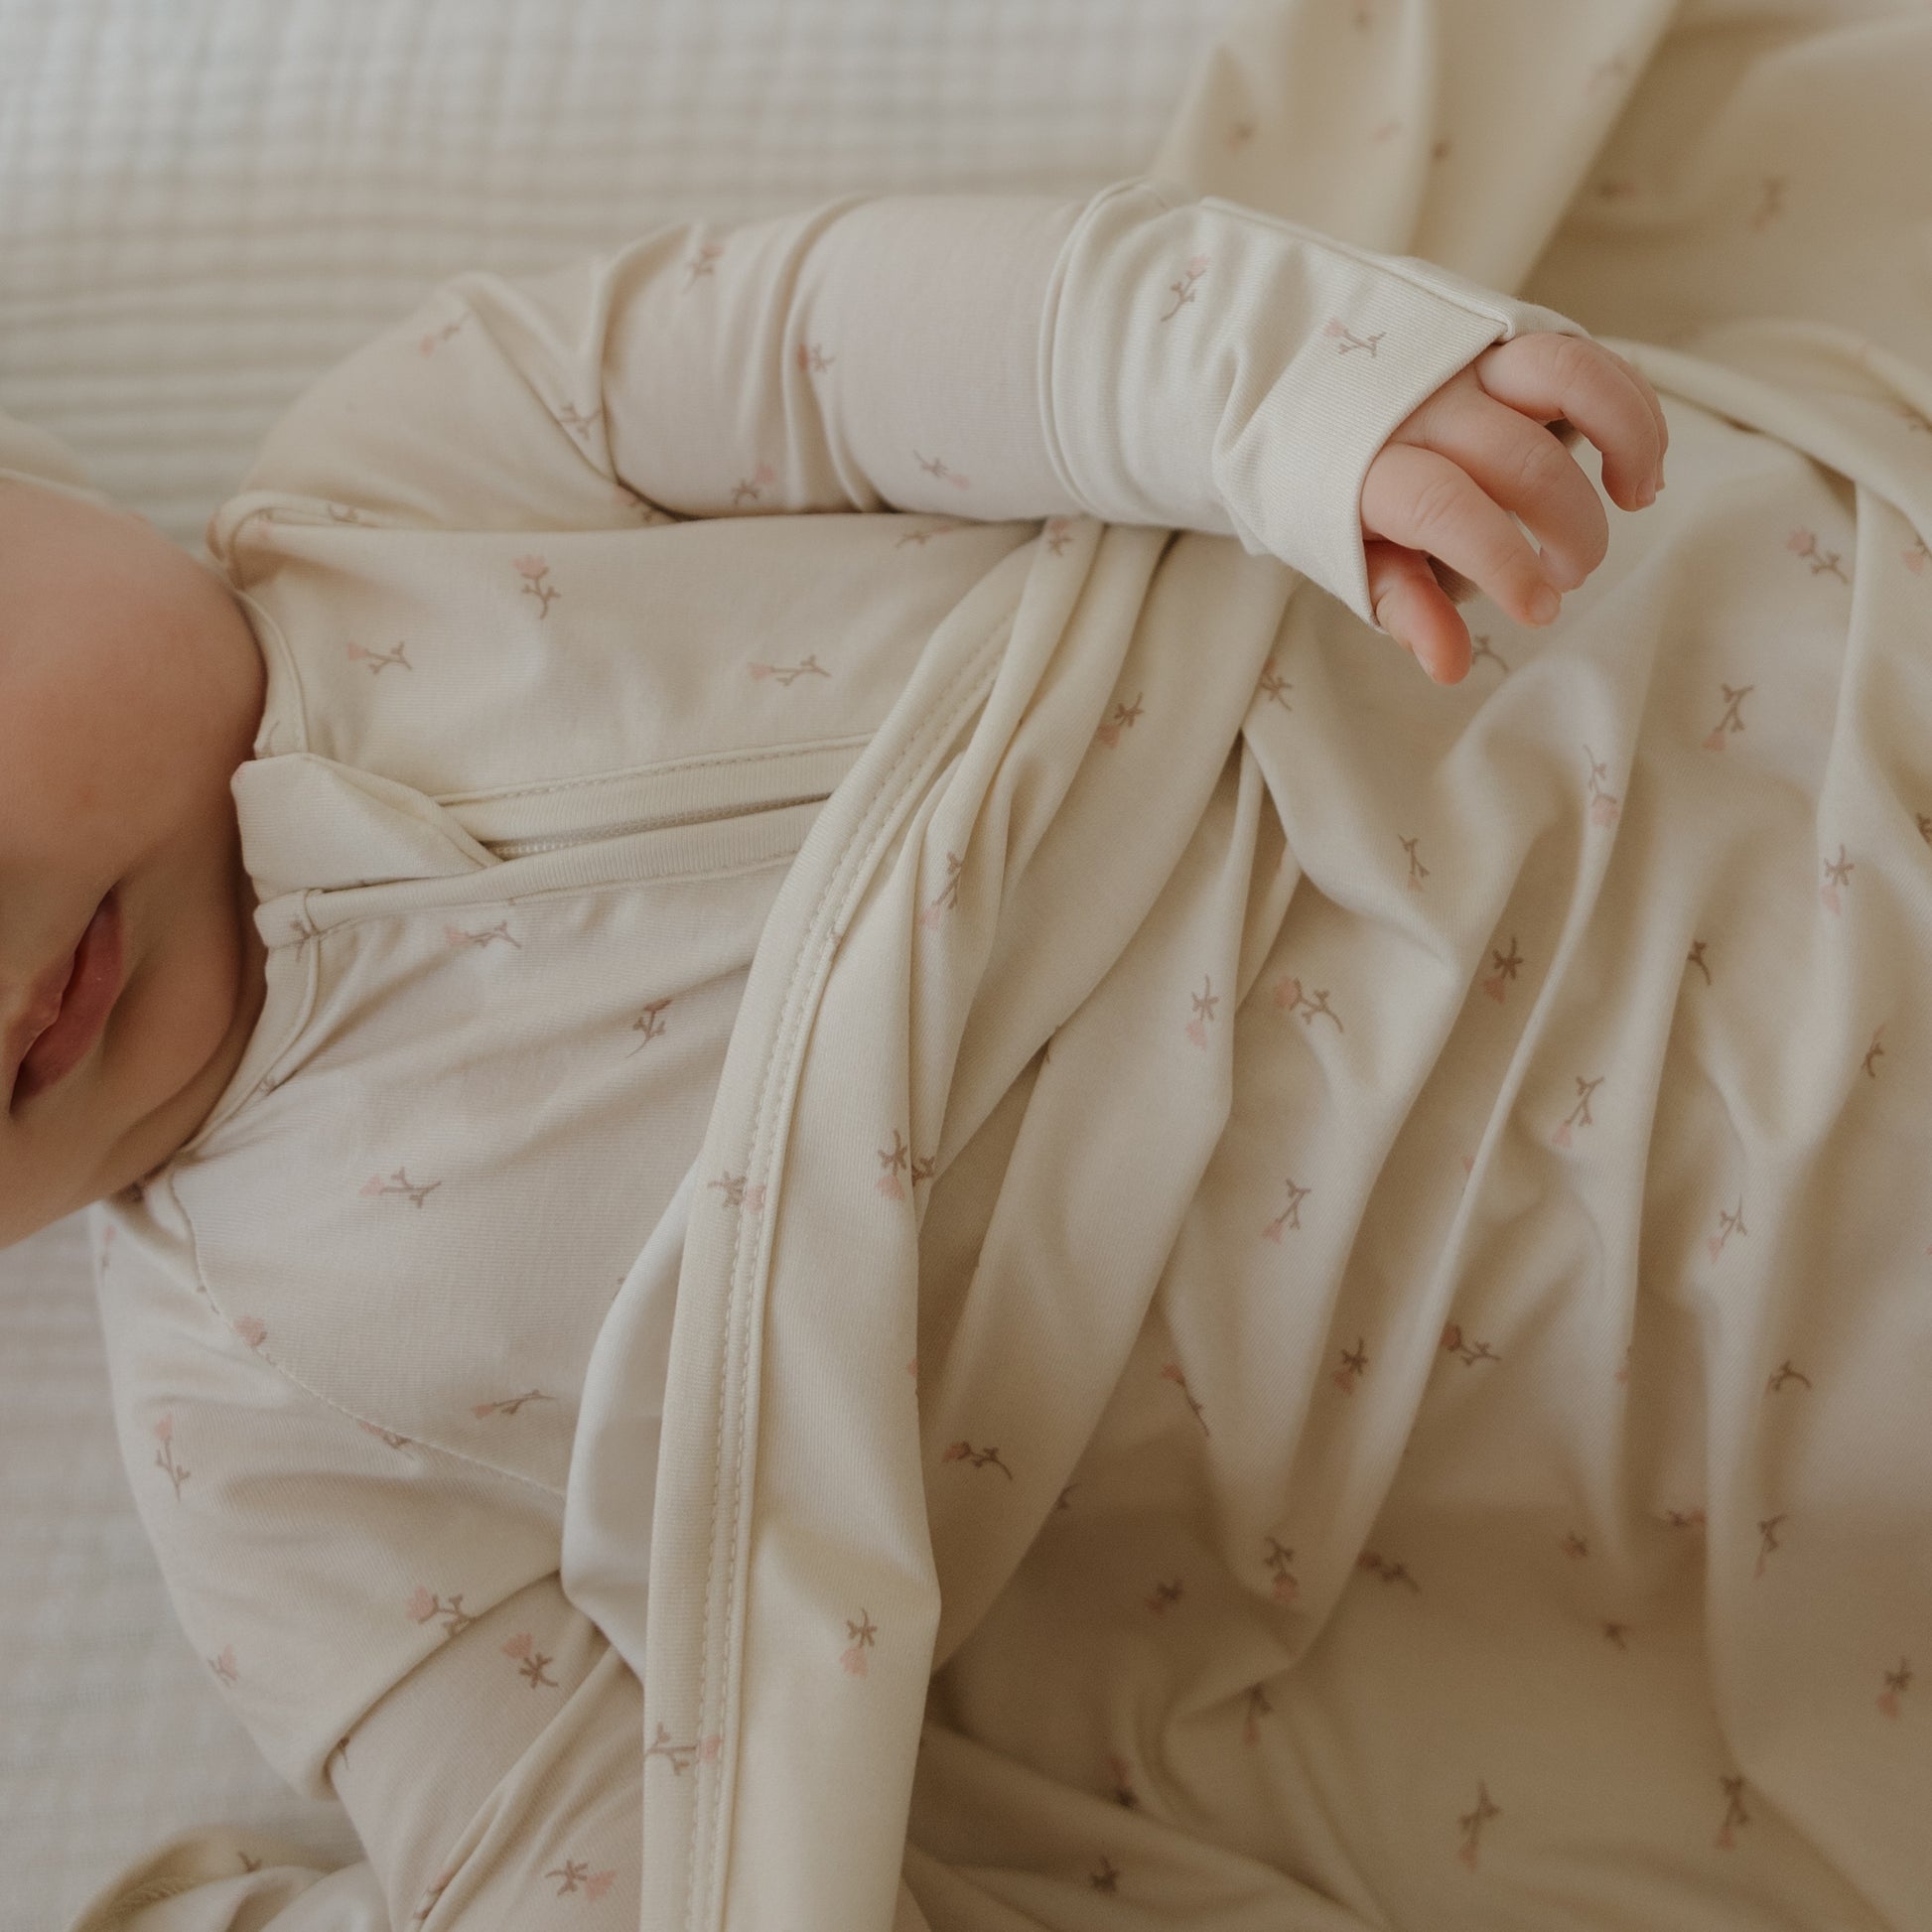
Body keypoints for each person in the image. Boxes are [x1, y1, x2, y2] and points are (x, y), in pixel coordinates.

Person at [9, 176, 1659, 1929]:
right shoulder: (261, 1441)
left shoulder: (422, 463)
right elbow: (588, 1841)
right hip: (1506, 1368)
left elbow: (877, 333)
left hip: (1506, 751)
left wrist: (1290, 391)